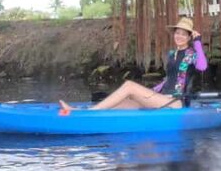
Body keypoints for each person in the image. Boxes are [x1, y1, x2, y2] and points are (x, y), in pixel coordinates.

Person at [60, 16, 208, 111]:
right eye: (177, 33)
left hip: (176, 102)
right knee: (123, 102)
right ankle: (78, 112)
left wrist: (198, 43)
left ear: (189, 37)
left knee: (130, 86)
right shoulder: (172, 54)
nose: (179, 36)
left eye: (183, 34)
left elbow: (202, 66)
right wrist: (153, 89)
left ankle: (90, 114)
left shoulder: (192, 54)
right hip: (161, 97)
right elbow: (170, 78)